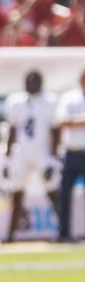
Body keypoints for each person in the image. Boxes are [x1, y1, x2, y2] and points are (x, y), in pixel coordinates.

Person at [2, 70, 60, 242]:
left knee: (53, 193)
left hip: (42, 152)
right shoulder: (16, 101)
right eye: (29, 80)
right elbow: (13, 129)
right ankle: (10, 236)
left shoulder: (50, 101)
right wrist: (7, 157)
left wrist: (53, 158)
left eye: (35, 80)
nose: (31, 83)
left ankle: (64, 231)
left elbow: (55, 130)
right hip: (22, 152)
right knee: (17, 195)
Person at [55, 68, 85, 243]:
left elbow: (69, 121)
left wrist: (75, 121)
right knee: (64, 194)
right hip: (72, 153)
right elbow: (62, 121)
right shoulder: (69, 98)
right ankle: (63, 233)